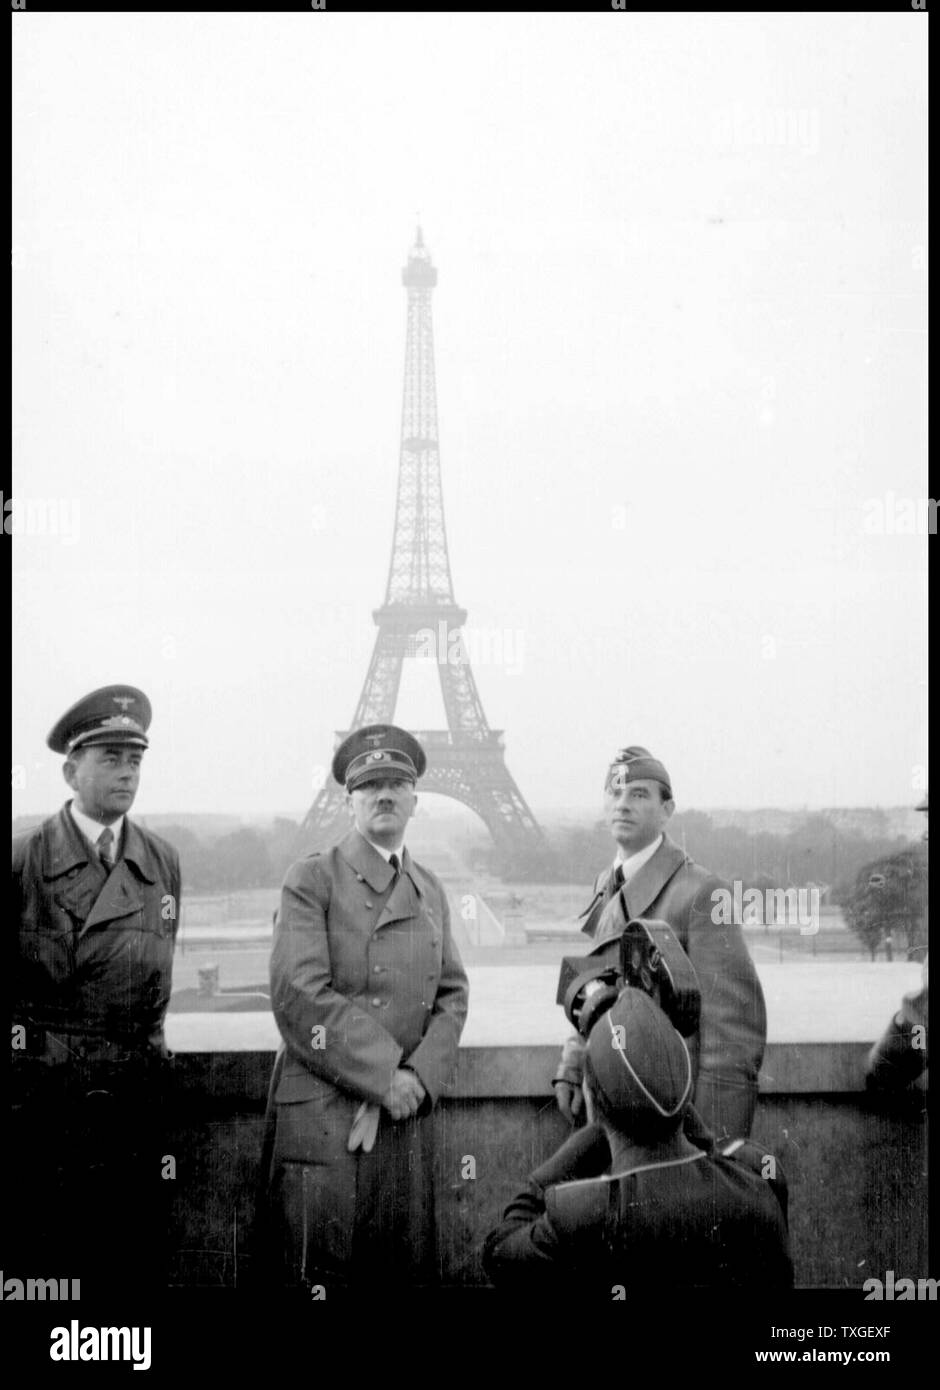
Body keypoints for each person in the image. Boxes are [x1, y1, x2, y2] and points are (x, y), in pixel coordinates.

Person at [263, 724, 469, 1290]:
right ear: (349, 799)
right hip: (328, 1114)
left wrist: (419, 1079)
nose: (384, 794)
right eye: (370, 784)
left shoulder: (430, 888)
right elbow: (298, 994)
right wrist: (385, 1075)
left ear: (414, 800)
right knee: (319, 1273)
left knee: (395, 1276)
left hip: (404, 1117)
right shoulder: (310, 879)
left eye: (397, 783)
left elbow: (453, 993)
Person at [9, 685, 180, 1291]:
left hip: (135, 1110)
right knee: (51, 1277)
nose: (127, 773)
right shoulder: (22, 860)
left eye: (135, 760)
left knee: (130, 1277)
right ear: (70, 768)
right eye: (110, 758)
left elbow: (155, 991)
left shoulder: (162, 862)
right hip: (47, 1113)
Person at [484, 987, 792, 1290]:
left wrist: (588, 1136)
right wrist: (669, 1100)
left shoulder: (578, 1214)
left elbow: (498, 1252)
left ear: (592, 1098)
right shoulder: (759, 1182)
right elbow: (712, 1157)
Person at [554, 746, 766, 1143]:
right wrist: (572, 1063)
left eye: (639, 794)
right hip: (610, 1114)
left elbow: (731, 1041)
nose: (623, 805)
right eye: (615, 793)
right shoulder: (607, 884)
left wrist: (714, 1152)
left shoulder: (702, 892)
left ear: (667, 809)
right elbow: (596, 988)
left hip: (670, 1132)